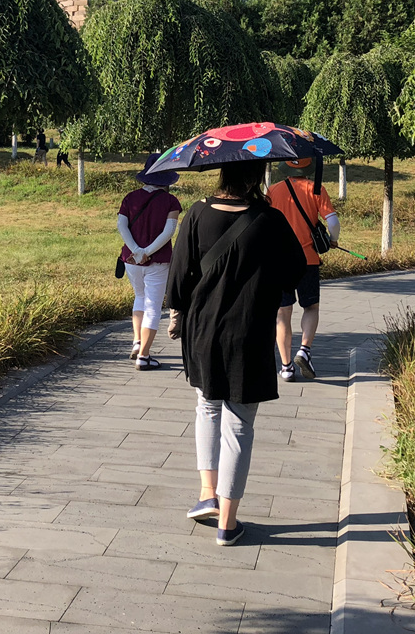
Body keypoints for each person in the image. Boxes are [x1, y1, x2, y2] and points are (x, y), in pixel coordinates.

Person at [167, 159, 306, 546]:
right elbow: (293, 273)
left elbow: (178, 282)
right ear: (256, 177)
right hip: (249, 332)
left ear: (221, 173)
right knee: (239, 423)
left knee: (207, 407)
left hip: (202, 332)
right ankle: (228, 523)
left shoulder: (196, 214)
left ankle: (206, 494)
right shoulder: (270, 220)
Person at [267, 159, 339, 381]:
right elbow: (333, 222)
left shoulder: (273, 190)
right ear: (307, 169)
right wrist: (333, 240)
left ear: (287, 169)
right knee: (311, 307)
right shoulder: (316, 189)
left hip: (279, 260)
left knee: (282, 312)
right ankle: (304, 350)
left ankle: (286, 367)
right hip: (308, 260)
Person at [117, 154, 182, 370]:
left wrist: (136, 251)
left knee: (140, 297)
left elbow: (122, 226)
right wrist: (148, 251)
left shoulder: (130, 198)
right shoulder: (171, 201)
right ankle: (144, 356)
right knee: (153, 305)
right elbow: (169, 231)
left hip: (131, 260)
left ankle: (137, 342)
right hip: (158, 260)